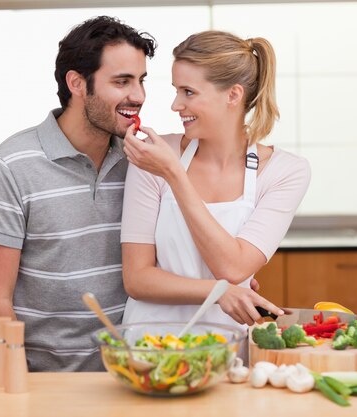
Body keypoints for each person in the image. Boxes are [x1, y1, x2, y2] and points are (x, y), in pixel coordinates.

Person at [0, 16, 156, 371]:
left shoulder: (143, 161)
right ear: (77, 83)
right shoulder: (10, 165)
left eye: (141, 80)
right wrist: (18, 387)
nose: (139, 96)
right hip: (48, 382)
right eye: (122, 82)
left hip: (136, 373)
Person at [120, 31, 311, 345]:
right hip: (149, 346)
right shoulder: (153, 155)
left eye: (188, 92)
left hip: (227, 348)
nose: (175, 104)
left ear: (233, 96)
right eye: (175, 90)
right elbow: (137, 278)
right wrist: (217, 291)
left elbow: (233, 266)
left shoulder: (285, 172)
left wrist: (175, 175)